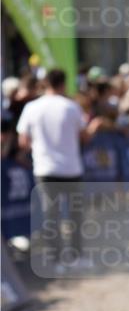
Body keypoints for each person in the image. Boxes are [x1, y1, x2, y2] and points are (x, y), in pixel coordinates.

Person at [16, 67, 99, 271]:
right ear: (63, 83)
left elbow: (23, 142)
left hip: (45, 169)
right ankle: (77, 256)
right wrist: (94, 127)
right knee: (75, 215)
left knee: (50, 216)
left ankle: (56, 260)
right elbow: (84, 137)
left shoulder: (32, 108)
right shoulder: (71, 107)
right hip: (71, 169)